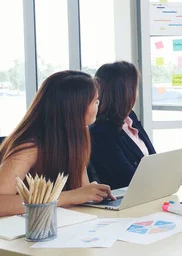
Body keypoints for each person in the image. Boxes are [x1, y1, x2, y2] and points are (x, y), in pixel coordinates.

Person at [0, 71, 115, 217]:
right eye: (95, 101)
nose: (98, 106)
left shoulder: (77, 138)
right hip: (26, 231)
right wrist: (70, 196)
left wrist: (91, 192)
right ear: (74, 108)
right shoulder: (29, 147)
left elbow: (80, 190)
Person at [88, 61, 156, 190]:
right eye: (135, 88)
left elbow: (153, 158)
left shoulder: (131, 117)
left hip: (150, 192)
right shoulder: (100, 132)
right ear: (126, 92)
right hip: (127, 199)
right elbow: (126, 178)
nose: (137, 93)